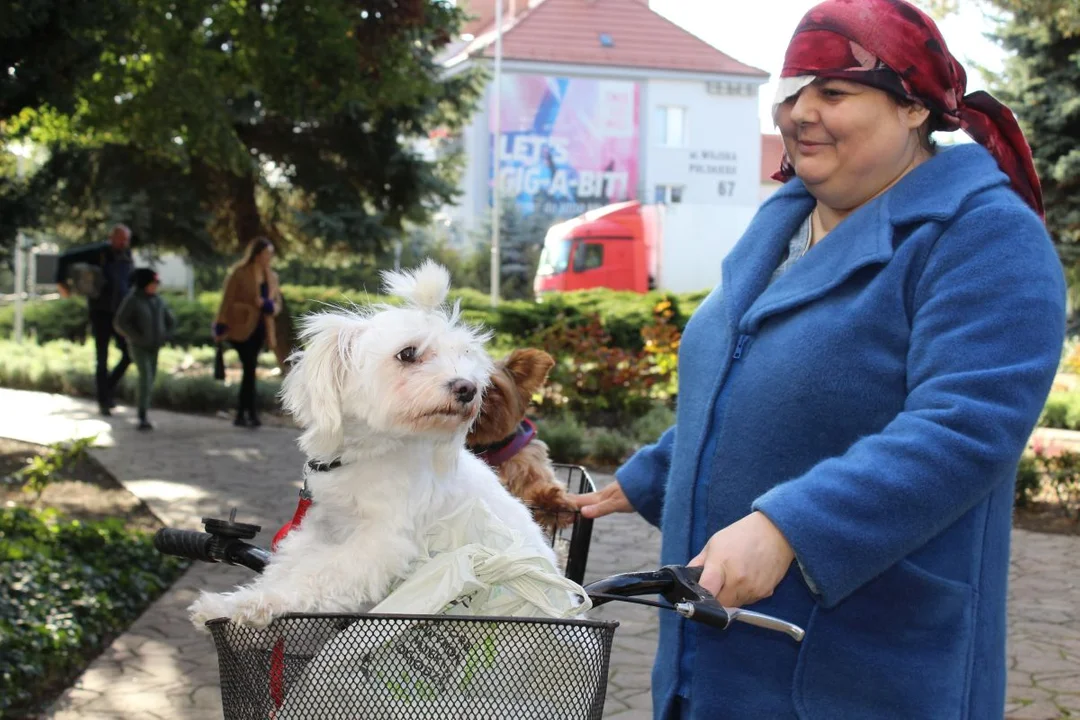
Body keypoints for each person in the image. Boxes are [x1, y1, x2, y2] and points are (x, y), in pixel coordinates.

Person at [571, 1, 1067, 718]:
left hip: (860, 664)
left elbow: (965, 430)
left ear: (914, 110)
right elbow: (754, 382)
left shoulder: (984, 237)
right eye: (792, 90)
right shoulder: (784, 220)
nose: (800, 111)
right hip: (713, 658)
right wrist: (650, 475)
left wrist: (790, 528)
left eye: (833, 91)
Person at [55, 223, 135, 416]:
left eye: (126, 239)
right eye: (121, 239)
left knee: (128, 354)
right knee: (102, 357)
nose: (124, 242)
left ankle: (106, 389)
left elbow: (130, 281)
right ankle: (103, 400)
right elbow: (65, 257)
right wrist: (62, 283)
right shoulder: (98, 253)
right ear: (112, 237)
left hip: (120, 313)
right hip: (100, 312)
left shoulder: (127, 256)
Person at [213, 237, 282, 428]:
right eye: (267, 253)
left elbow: (277, 305)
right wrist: (220, 324)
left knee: (250, 371)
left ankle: (245, 413)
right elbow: (227, 300)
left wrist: (268, 306)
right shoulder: (240, 273)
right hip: (241, 327)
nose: (270, 257)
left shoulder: (272, 277)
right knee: (250, 368)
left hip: (261, 329)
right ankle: (249, 413)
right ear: (258, 254)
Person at [113, 268, 176, 431]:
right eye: (152, 283)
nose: (155, 286)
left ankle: (144, 409)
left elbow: (169, 320)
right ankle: (142, 415)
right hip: (139, 346)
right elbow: (120, 322)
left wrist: (166, 334)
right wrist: (135, 336)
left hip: (154, 346)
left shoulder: (158, 300)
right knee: (145, 377)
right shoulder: (133, 300)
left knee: (151, 378)